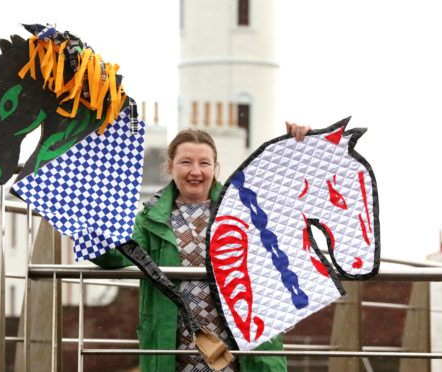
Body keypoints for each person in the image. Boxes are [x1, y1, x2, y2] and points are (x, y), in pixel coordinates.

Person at [92, 122, 311, 372]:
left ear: (215, 168)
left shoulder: (243, 211)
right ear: (170, 166)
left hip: (240, 356)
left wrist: (299, 148)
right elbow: (111, 256)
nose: (195, 171)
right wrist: (84, 221)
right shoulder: (150, 220)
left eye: (204, 163)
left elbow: (293, 206)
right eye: (186, 162)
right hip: (176, 357)